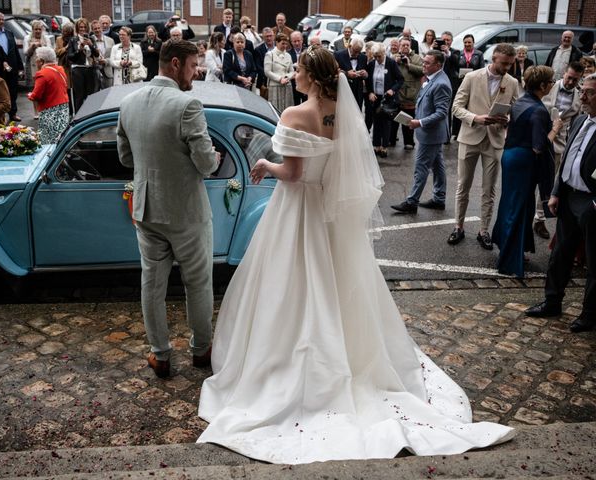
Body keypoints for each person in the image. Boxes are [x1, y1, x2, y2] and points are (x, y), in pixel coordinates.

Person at [197, 44, 514, 464]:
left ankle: (294, 361)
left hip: (299, 210)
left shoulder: (296, 115)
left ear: (311, 75)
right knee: (336, 282)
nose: (293, 75)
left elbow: (291, 173)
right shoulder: (341, 111)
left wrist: (264, 168)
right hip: (329, 213)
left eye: (298, 70)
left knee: (294, 284)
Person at [117, 40, 220, 378]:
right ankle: (200, 350)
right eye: (193, 66)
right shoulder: (187, 104)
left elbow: (126, 158)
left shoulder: (128, 102)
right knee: (198, 282)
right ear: (175, 64)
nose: (196, 72)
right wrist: (215, 157)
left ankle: (160, 355)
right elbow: (206, 165)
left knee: (152, 283)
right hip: (187, 211)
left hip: (147, 210)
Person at [525, 73, 596, 333]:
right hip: (568, 197)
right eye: (582, 91)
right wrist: (555, 192)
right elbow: (566, 158)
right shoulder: (578, 120)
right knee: (560, 255)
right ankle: (552, 302)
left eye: (589, 92)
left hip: (591, 202)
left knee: (593, 262)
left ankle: (589, 315)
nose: (583, 96)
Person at [491, 66, 561, 277]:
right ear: (542, 86)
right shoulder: (539, 110)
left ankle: (511, 248)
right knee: (519, 208)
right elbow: (539, 146)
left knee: (511, 204)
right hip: (523, 160)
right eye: (550, 82)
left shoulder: (520, 101)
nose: (552, 85)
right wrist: (555, 129)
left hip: (510, 155)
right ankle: (510, 260)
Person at [448, 43, 519, 249]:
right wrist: (476, 118)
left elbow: (515, 111)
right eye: (504, 63)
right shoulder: (472, 77)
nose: (507, 67)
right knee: (463, 186)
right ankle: (458, 227)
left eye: (510, 64)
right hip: (470, 136)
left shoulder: (512, 82)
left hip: (495, 140)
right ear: (494, 59)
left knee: (489, 189)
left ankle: (484, 231)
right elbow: (456, 108)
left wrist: (507, 120)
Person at [390, 50, 451, 214]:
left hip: (431, 134)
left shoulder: (441, 84)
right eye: (423, 61)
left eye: (427, 63)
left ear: (438, 65)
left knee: (421, 167)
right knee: (438, 166)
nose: (423, 64)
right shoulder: (433, 78)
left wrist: (420, 122)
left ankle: (412, 202)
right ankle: (439, 199)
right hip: (431, 133)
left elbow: (441, 113)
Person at [534, 61, 584, 239]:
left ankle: (539, 219)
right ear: (564, 73)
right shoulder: (548, 86)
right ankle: (525, 215)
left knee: (547, 181)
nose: (571, 82)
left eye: (575, 80)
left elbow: (578, 123)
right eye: (569, 78)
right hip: (538, 136)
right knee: (530, 178)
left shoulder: (580, 96)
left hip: (558, 143)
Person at [366, 43, 404, 157]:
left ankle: (384, 146)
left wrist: (393, 90)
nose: (377, 59)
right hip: (375, 97)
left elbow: (400, 79)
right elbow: (368, 81)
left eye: (379, 56)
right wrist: (370, 92)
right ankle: (376, 145)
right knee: (376, 121)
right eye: (375, 56)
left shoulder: (391, 63)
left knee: (386, 123)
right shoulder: (372, 64)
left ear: (384, 53)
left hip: (387, 98)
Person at [27, 46, 70, 144]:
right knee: (61, 137)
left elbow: (36, 95)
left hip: (49, 111)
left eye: (37, 58)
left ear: (42, 61)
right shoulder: (60, 69)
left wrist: (30, 95)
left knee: (48, 140)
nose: (35, 61)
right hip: (63, 107)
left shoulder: (42, 74)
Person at [390, 37, 423, 151]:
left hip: (410, 94)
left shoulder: (417, 58)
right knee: (394, 118)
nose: (405, 47)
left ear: (410, 46)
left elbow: (422, 71)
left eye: (407, 45)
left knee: (408, 119)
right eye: (403, 45)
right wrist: (396, 62)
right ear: (399, 46)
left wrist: (409, 64)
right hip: (396, 93)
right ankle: (391, 139)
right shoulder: (394, 57)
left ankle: (409, 142)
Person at [0, 11, 24, 122]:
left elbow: (15, 50)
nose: (1, 21)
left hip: (12, 67)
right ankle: (1, 117)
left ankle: (13, 113)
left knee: (13, 91)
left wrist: (20, 67)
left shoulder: (9, 33)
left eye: (2, 19)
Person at [65, 18, 100, 113]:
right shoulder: (73, 40)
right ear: (77, 28)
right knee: (79, 96)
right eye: (80, 27)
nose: (82, 29)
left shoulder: (91, 38)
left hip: (90, 69)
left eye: (84, 27)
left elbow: (97, 55)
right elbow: (70, 57)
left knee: (91, 95)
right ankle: (78, 117)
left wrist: (91, 45)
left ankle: (90, 115)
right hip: (78, 70)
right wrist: (79, 50)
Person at [452, 34, 483, 137]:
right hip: (460, 84)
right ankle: (456, 133)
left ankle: (470, 130)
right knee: (459, 106)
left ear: (473, 43)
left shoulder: (479, 54)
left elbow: (481, 69)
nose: (467, 44)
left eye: (469, 42)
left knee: (471, 107)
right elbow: (455, 69)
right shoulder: (459, 54)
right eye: (465, 42)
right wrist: (459, 76)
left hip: (474, 84)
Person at [334, 37, 368, 109]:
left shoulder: (363, 57)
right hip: (343, 91)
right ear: (349, 46)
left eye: (359, 52)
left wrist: (365, 74)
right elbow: (334, 72)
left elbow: (366, 75)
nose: (357, 54)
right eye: (355, 51)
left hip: (358, 92)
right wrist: (347, 74)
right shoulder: (338, 55)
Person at [264, 33, 294, 111]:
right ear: (276, 42)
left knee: (287, 109)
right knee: (276, 109)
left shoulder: (288, 55)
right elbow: (267, 71)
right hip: (275, 86)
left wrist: (287, 77)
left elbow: (292, 71)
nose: (284, 46)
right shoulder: (270, 55)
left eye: (286, 44)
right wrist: (280, 79)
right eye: (282, 43)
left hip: (287, 86)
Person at [91, 19, 114, 89]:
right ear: (92, 30)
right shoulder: (90, 40)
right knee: (95, 95)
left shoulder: (110, 40)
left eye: (99, 28)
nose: (97, 30)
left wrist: (106, 61)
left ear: (102, 28)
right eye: (95, 29)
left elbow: (114, 57)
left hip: (107, 72)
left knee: (108, 95)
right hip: (94, 72)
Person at [254, 28, 275, 99]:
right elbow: (258, 67)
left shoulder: (278, 47)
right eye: (267, 36)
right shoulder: (258, 50)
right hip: (264, 82)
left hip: (277, 80)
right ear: (263, 37)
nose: (269, 38)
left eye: (270, 36)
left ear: (273, 36)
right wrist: (270, 74)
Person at [288, 31, 306, 106]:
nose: (297, 43)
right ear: (291, 42)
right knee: (296, 103)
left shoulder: (308, 51)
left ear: (302, 40)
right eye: (294, 41)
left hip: (305, 82)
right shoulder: (288, 54)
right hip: (294, 84)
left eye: (298, 41)